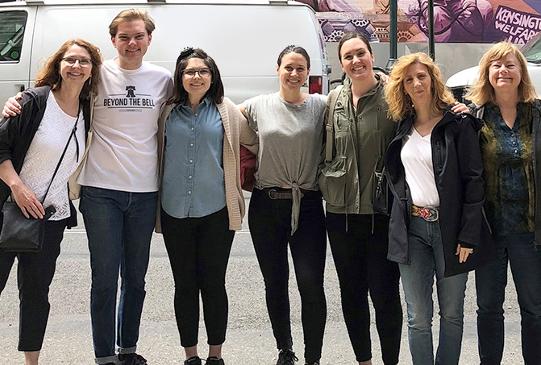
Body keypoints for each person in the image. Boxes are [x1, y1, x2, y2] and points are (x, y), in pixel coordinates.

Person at [2, 9, 173, 365]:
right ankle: (104, 356)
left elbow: (193, 103)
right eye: (124, 37)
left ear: (149, 39)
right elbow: (56, 93)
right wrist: (17, 100)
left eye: (138, 36)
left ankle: (128, 349)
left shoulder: (163, 79)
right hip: (100, 192)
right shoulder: (97, 75)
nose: (131, 43)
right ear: (112, 41)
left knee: (137, 280)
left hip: (145, 193)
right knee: (105, 278)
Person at [0, 38, 101, 365]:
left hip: (50, 218)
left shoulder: (88, 111)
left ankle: (31, 362)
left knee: (37, 297)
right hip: (5, 210)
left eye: (84, 62)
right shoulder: (33, 102)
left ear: (92, 71)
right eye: (71, 60)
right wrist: (18, 187)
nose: (76, 66)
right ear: (59, 65)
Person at [383, 52, 493, 365]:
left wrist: (468, 235)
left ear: (433, 80)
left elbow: (474, 181)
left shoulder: (457, 123)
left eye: (422, 76)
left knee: (453, 312)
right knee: (417, 317)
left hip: (451, 229)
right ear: (402, 86)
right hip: (412, 228)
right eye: (409, 79)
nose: (416, 83)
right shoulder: (401, 126)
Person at [157, 48, 257, 365]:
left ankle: (215, 355)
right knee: (184, 284)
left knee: (213, 283)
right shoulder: (165, 112)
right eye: (190, 71)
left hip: (216, 210)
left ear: (212, 77)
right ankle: (191, 355)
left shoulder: (227, 111)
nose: (196, 76)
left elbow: (258, 140)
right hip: (174, 210)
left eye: (203, 71)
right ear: (180, 77)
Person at [463, 41, 541, 365]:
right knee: (488, 308)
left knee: (534, 309)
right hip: (488, 231)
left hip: (530, 231)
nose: (503, 70)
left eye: (510, 65)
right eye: (496, 65)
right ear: (487, 73)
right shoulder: (475, 116)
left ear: (521, 73)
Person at [318, 31, 402, 365]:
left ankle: (390, 361)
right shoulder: (333, 100)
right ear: (341, 64)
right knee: (351, 294)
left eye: (360, 54)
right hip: (340, 215)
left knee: (384, 295)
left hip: (381, 215)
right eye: (348, 57)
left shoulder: (394, 97)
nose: (356, 61)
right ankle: (364, 361)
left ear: (371, 55)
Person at [240, 45, 327, 365]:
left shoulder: (320, 105)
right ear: (277, 70)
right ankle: (285, 349)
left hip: (307, 206)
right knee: (275, 282)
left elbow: (358, 102)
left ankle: (313, 358)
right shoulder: (258, 105)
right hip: (266, 205)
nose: (294, 73)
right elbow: (221, 116)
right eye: (288, 67)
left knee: (311, 284)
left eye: (301, 68)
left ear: (308, 73)